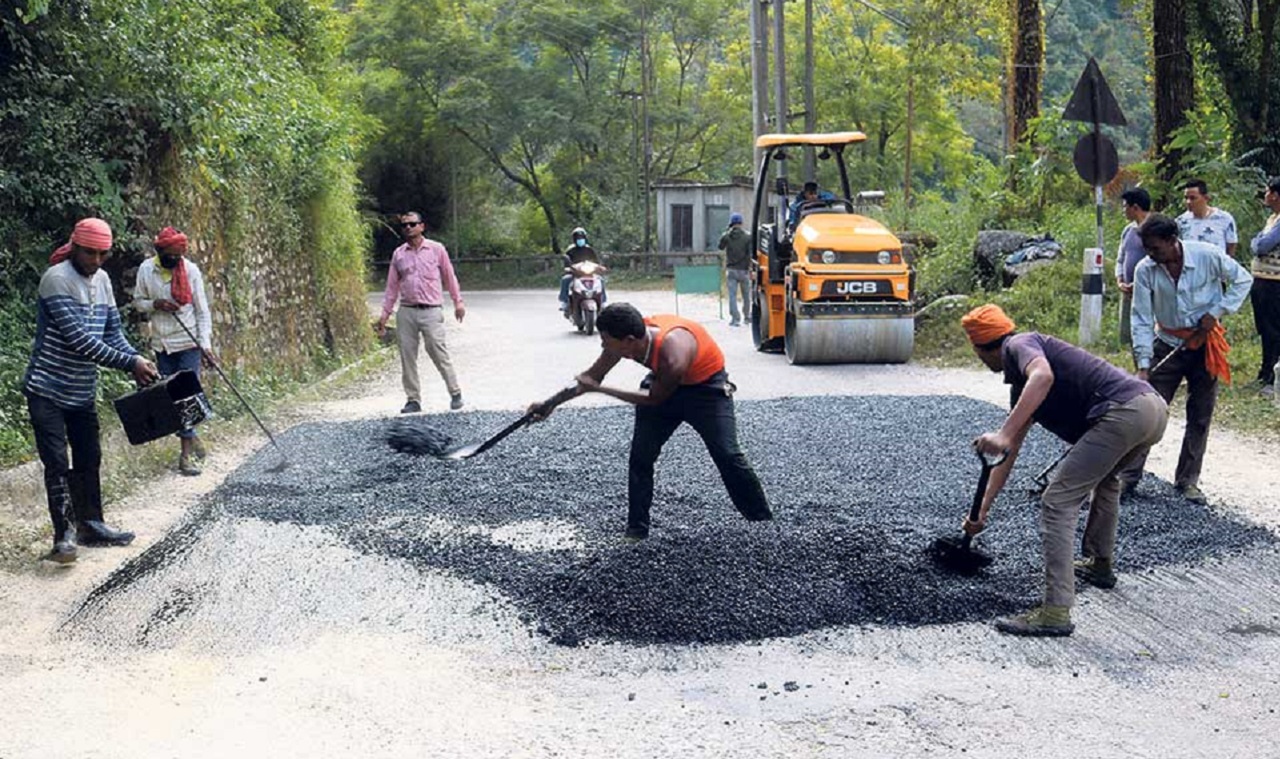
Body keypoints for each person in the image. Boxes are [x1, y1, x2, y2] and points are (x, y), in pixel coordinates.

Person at [961, 304, 1168, 637]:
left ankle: (1055, 611)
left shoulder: (1020, 345)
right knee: (1106, 481)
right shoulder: (1023, 388)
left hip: (1125, 412)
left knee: (1057, 501)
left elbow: (1043, 376)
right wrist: (982, 511)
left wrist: (1001, 433)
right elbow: (1007, 453)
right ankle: (1100, 564)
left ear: (981, 347)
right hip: (1152, 410)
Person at [529, 303, 772, 541]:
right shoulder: (624, 340)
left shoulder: (673, 352)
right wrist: (550, 404)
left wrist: (602, 390)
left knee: (728, 455)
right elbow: (590, 378)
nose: (603, 345)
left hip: (706, 391)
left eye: (606, 341)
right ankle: (636, 532)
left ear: (629, 340)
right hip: (661, 382)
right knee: (640, 457)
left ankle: (762, 524)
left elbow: (654, 399)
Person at [24, 218, 160, 564]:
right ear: (74, 246)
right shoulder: (56, 279)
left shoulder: (102, 282)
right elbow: (81, 342)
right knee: (56, 461)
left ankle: (91, 525)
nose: (96, 260)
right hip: (47, 388)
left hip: (81, 390)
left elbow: (111, 333)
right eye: (90, 252)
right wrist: (129, 365)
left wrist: (135, 356)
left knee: (89, 458)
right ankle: (64, 536)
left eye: (102, 253)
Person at [1119, 214, 1253, 504]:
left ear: (1171, 241)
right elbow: (1141, 317)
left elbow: (1243, 279)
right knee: (1147, 412)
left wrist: (1217, 312)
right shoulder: (1146, 270)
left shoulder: (1207, 256)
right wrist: (1143, 365)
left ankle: (1187, 480)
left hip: (1204, 345)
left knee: (1200, 414)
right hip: (1166, 344)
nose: (1151, 255)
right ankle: (1128, 477)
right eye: (1148, 249)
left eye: (1156, 248)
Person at [132, 227, 215, 476]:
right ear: (160, 252)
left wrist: (205, 345)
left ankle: (186, 456)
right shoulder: (147, 270)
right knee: (169, 399)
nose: (175, 260)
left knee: (186, 397)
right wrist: (156, 304)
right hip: (162, 344)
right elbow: (138, 302)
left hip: (188, 342)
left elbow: (202, 310)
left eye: (178, 256)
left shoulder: (190, 271)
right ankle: (193, 437)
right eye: (170, 256)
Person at [377, 212, 466, 413]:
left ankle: (455, 392)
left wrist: (458, 302)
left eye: (412, 224)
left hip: (431, 310)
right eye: (404, 225)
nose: (408, 228)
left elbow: (449, 277)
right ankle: (413, 399)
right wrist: (384, 315)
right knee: (407, 356)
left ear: (421, 226)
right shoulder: (399, 254)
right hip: (407, 311)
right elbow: (392, 287)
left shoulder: (436, 250)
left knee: (437, 351)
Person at [1247, 176, 1280, 398]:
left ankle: (1272, 378)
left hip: (1275, 282)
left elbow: (1262, 245)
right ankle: (1265, 372)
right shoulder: (1272, 218)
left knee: (1274, 330)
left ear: (1276, 195)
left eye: (1268, 191)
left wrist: (1257, 241)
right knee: (1265, 330)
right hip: (1262, 279)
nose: (1265, 196)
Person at [1116, 188, 1151, 354]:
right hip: (1128, 290)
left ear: (1135, 207)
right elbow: (1121, 258)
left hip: (1148, 290)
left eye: (1125, 207)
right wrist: (1120, 280)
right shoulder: (1128, 231)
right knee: (1130, 330)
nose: (1123, 211)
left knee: (1147, 329)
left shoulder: (1154, 229)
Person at [1176, 179, 1238, 259]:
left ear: (1206, 198)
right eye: (1186, 198)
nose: (1188, 202)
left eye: (1193, 198)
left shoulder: (1224, 219)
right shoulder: (1181, 222)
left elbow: (1231, 246)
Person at [559, 226, 605, 316]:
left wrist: (600, 267)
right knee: (565, 280)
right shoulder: (570, 250)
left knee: (601, 280)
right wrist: (568, 268)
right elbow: (566, 263)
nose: (580, 240)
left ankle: (603, 301)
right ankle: (564, 301)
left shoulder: (589, 250)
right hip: (576, 274)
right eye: (578, 238)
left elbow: (596, 262)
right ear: (574, 239)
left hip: (590, 274)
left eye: (582, 238)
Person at [718, 212, 752, 327]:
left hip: (731, 270)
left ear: (731, 223)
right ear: (741, 223)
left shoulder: (727, 236)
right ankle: (747, 317)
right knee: (746, 295)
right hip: (744, 270)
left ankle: (735, 319)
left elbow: (720, 247)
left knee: (732, 295)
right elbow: (750, 253)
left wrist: (727, 231)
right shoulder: (748, 237)